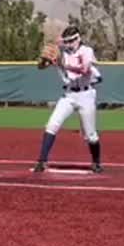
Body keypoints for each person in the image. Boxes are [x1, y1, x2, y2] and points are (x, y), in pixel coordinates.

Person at [32, 26, 102, 174]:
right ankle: (42, 161)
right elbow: (41, 67)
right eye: (67, 41)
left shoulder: (86, 51)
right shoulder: (62, 53)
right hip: (69, 95)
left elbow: (84, 69)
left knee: (90, 135)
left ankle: (96, 163)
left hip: (86, 95)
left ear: (78, 39)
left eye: (71, 41)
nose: (69, 44)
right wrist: (44, 60)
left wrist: (62, 63)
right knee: (52, 125)